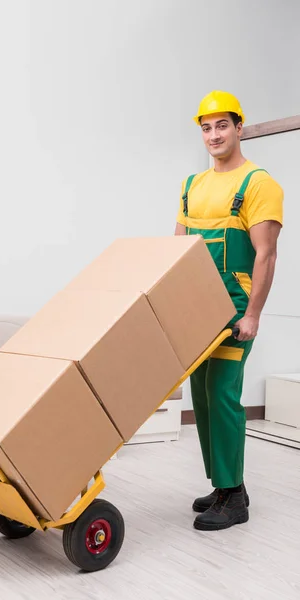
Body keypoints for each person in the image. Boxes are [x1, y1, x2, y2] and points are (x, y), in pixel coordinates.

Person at [175, 90, 283, 531]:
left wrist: (253, 315)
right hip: (199, 305)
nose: (214, 134)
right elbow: (178, 251)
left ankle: (235, 497)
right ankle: (223, 484)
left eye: (222, 125)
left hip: (236, 306)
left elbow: (266, 254)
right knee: (200, 392)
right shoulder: (192, 185)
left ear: (240, 128)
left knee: (222, 392)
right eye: (206, 127)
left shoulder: (258, 183)